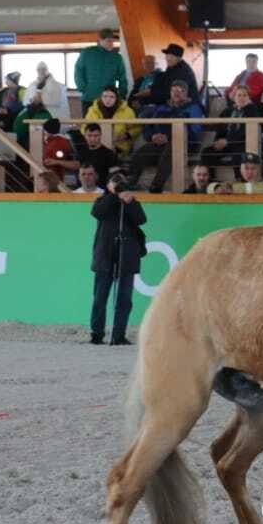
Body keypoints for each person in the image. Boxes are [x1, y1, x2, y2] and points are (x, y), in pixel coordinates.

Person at [89, 173, 148, 345]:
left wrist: (129, 202)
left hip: (127, 256)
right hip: (105, 255)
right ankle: (97, 333)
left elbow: (141, 220)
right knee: (100, 297)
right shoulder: (103, 200)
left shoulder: (131, 202)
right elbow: (97, 212)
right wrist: (115, 196)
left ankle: (118, 334)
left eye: (121, 183)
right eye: (115, 183)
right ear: (108, 185)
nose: (119, 186)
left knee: (124, 299)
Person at [129, 79, 204, 193]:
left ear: (186, 93)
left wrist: (168, 138)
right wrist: (152, 136)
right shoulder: (162, 107)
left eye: (180, 91)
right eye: (174, 91)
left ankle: (156, 186)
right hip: (159, 143)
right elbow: (149, 126)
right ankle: (130, 182)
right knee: (141, 152)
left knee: (170, 151)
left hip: (183, 144)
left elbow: (193, 131)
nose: (177, 93)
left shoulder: (193, 108)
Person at [202, 85, 257, 168]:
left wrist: (228, 141)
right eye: (239, 95)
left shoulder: (252, 110)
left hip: (242, 144)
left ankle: (239, 180)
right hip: (227, 144)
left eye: (245, 95)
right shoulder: (227, 111)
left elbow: (245, 133)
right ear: (234, 98)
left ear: (249, 98)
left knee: (238, 155)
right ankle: (211, 179)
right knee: (207, 152)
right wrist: (217, 141)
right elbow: (220, 128)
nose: (242, 98)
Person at [75, 28, 129, 111]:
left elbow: (122, 78)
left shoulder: (117, 57)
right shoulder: (87, 53)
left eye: (113, 41)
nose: (112, 44)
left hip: (109, 101)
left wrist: (121, 96)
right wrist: (82, 87)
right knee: (89, 123)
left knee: (109, 123)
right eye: (109, 41)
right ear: (100, 40)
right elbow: (78, 71)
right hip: (89, 98)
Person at [84, 86, 140, 158]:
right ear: (101, 97)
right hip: (96, 144)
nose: (108, 99)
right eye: (105, 96)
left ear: (116, 98)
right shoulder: (92, 110)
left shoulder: (127, 111)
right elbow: (84, 127)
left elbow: (136, 128)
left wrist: (127, 135)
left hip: (119, 145)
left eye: (111, 97)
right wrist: (92, 137)